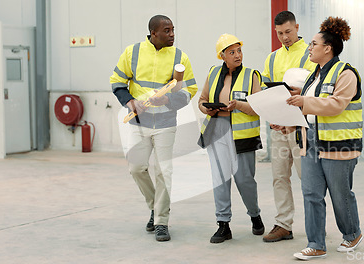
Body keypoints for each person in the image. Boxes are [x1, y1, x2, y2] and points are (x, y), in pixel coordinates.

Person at [109, 15, 197, 242]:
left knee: (164, 172)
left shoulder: (180, 57)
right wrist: (130, 102)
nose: (172, 35)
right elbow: (117, 81)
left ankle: (161, 221)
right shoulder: (133, 52)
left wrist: (168, 100)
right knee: (136, 168)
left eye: (173, 30)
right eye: (167, 31)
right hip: (139, 123)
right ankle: (154, 207)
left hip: (166, 124)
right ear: (153, 33)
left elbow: (190, 91)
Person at [286, 16, 363, 259]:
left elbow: (335, 105)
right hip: (310, 143)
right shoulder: (313, 76)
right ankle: (316, 243)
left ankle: (352, 234)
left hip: (338, 146)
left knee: (340, 194)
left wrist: (304, 101)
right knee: (311, 194)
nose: (309, 48)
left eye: (313, 44)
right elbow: (309, 110)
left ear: (327, 48)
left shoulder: (346, 73)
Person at [197, 33, 264, 244]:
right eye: (232, 52)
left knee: (244, 179)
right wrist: (206, 109)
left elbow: (258, 108)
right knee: (220, 178)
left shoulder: (252, 75)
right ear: (222, 55)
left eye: (239, 51)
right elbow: (202, 100)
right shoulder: (213, 73)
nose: (237, 55)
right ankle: (223, 224)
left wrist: (239, 106)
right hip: (217, 129)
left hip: (242, 134)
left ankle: (255, 215)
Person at [261, 11, 317, 243]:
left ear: (297, 27)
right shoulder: (272, 58)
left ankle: (316, 226)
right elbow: (266, 90)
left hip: (301, 127)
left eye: (288, 32)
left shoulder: (311, 53)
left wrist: (300, 95)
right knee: (279, 177)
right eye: (280, 33)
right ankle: (284, 224)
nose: (284, 37)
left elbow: (318, 88)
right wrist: (272, 114)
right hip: (278, 127)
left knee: (309, 179)